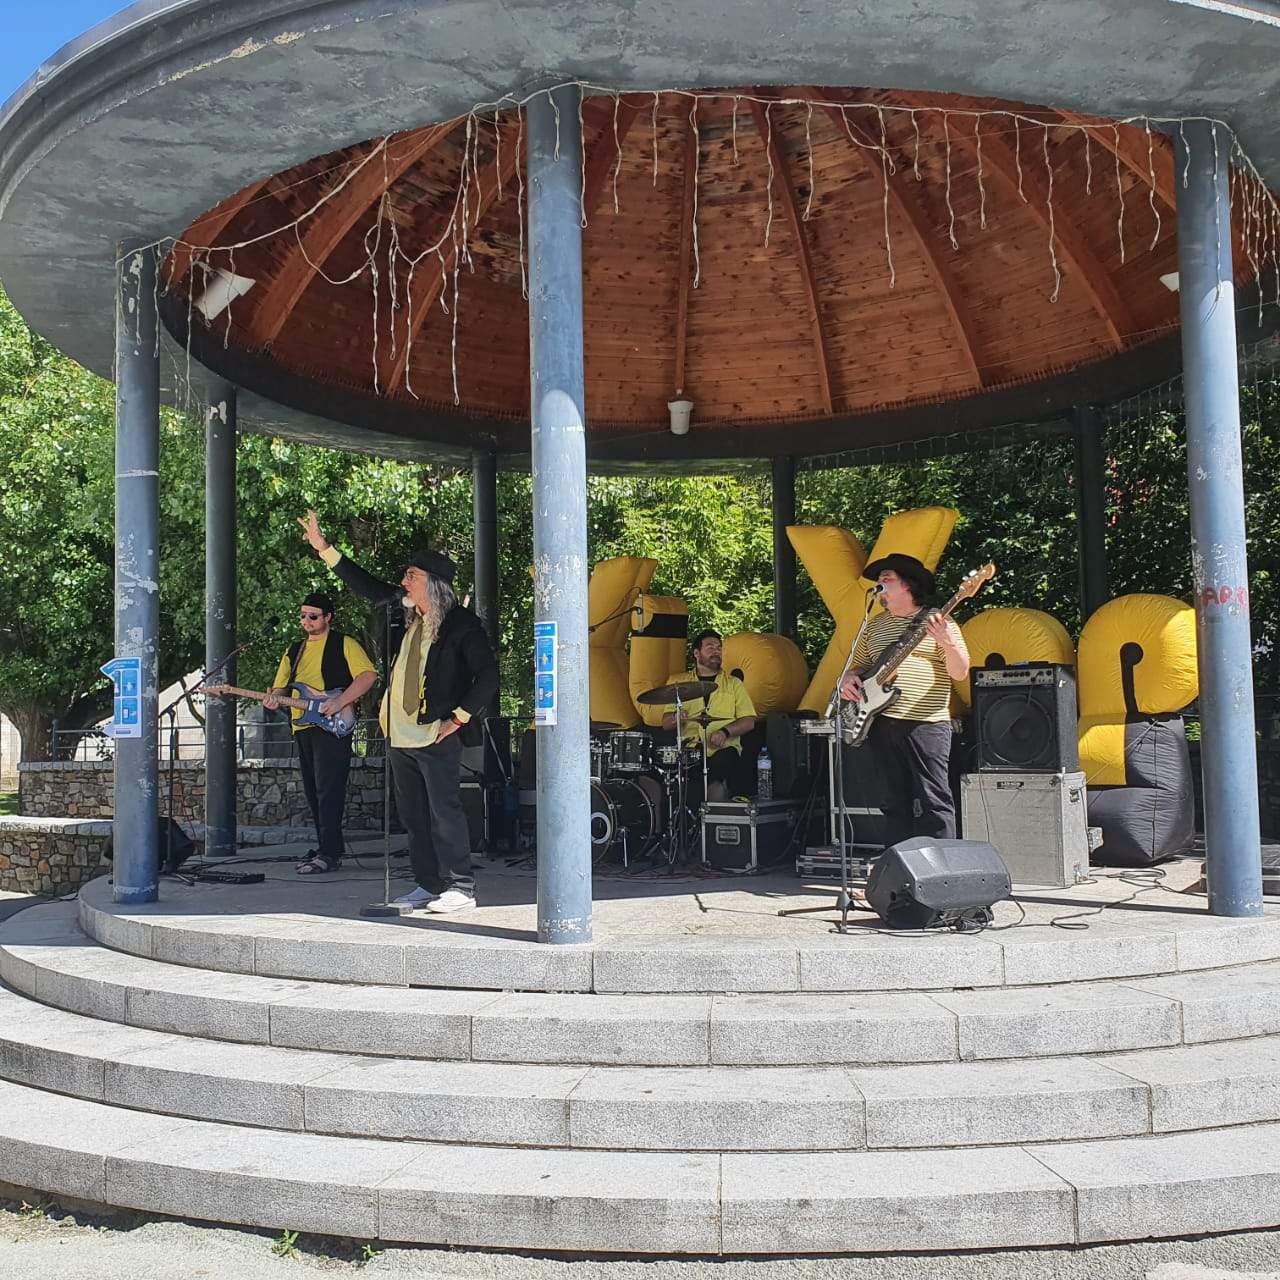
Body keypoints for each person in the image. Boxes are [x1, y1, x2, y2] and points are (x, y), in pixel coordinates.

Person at [298, 511, 498, 913]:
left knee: (444, 810)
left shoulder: (461, 625)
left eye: (412, 576)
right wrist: (324, 549)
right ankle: (427, 883)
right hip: (399, 732)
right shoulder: (407, 615)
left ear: (433, 584)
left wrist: (459, 717)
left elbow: (489, 675)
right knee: (413, 815)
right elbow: (367, 585)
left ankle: (461, 886)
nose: (404, 582)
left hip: (435, 731)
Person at [839, 553, 970, 846]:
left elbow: (960, 672)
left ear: (908, 585)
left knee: (935, 800)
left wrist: (947, 642)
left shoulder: (939, 622)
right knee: (892, 802)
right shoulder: (874, 625)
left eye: (887, 578)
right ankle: (897, 865)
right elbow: (859, 666)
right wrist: (849, 678)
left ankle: (941, 864)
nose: (880, 583)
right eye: (879, 579)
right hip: (881, 722)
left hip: (927, 723)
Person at [265, 592, 377, 875]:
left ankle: (329, 853)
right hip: (302, 725)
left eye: (313, 616)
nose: (307, 621)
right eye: (303, 616)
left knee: (329, 790)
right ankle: (326, 848)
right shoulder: (294, 650)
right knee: (314, 792)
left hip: (332, 725)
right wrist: (273, 698)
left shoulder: (345, 643)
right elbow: (280, 688)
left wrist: (339, 702)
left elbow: (368, 675)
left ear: (328, 617)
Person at [660, 630, 757, 802]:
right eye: (710, 647)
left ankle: (712, 812)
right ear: (696, 653)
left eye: (719, 647)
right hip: (690, 750)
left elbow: (749, 721)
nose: (716, 651)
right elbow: (666, 724)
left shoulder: (733, 683)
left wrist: (725, 732)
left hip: (724, 749)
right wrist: (676, 718)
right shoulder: (679, 683)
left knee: (721, 769)